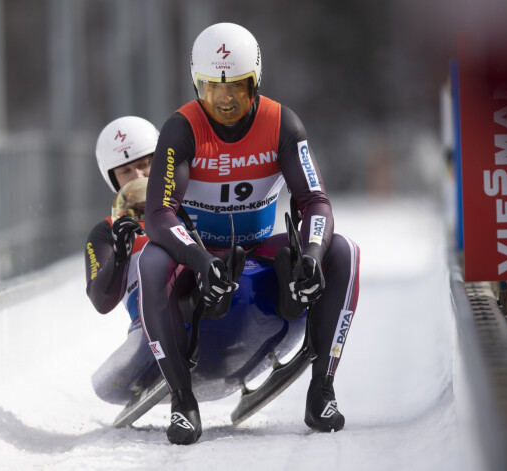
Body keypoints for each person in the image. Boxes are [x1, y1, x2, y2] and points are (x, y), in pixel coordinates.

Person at [138, 23, 360, 445]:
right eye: (211, 89)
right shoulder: (180, 129)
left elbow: (316, 202)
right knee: (151, 260)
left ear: (255, 83)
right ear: (196, 85)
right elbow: (159, 215)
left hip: (258, 248)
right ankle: (182, 402)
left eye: (237, 89)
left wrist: (311, 254)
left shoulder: (283, 124)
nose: (224, 101)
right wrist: (200, 260)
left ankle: (322, 391)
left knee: (344, 252)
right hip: (198, 250)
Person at [84, 115, 157, 326]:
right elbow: (101, 302)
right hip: (149, 324)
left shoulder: (192, 203)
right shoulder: (106, 231)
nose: (137, 176)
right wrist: (119, 257)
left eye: (145, 164)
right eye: (125, 171)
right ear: (113, 179)